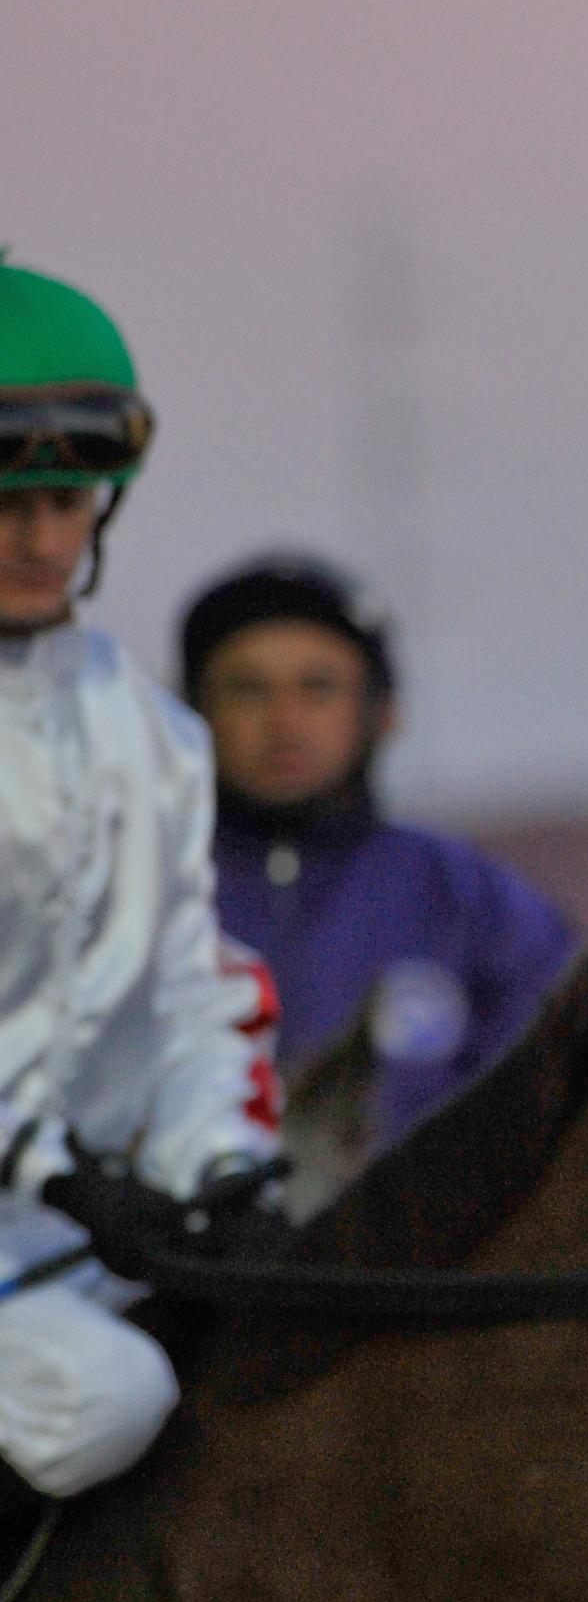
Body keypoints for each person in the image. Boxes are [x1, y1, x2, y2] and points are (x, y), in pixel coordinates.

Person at [0, 261, 286, 1502]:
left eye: (73, 500)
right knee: (112, 1396)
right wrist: (53, 1170)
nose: (46, 540)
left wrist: (219, 1166)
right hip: (54, 1279)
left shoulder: (153, 733)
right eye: (10, 500)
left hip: (76, 1258)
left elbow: (184, 1000)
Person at [183, 555, 575, 1152]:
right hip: (166, 1240)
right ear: (190, 715)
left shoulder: (475, 904)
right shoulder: (142, 891)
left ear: (383, 713)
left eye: (318, 688)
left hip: (426, 1239)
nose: (285, 721)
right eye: (249, 689)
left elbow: (568, 1096)